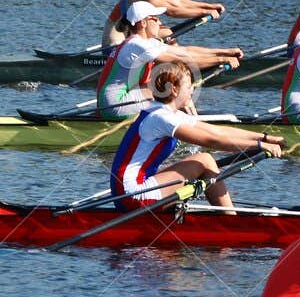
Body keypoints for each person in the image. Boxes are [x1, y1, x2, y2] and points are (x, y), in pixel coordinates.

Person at [110, 61, 284, 211]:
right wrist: (260, 147)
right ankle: (231, 222)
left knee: (201, 161)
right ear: (174, 90)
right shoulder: (162, 118)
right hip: (131, 194)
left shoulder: (164, 112)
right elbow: (212, 141)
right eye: (189, 85)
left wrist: (264, 138)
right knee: (205, 160)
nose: (192, 90)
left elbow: (217, 131)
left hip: (127, 191)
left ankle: (226, 219)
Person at [97, 1, 242, 119]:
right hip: (114, 104)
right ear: (143, 23)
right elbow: (183, 60)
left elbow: (185, 51)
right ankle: (193, 128)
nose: (159, 22)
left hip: (118, 100)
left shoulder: (146, 42)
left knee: (169, 85)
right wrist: (221, 59)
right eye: (155, 18)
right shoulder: (137, 45)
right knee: (174, 86)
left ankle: (191, 122)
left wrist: (225, 52)